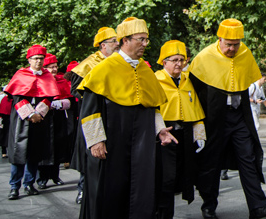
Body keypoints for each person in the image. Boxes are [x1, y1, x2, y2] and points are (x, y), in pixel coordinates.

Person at [78, 17, 177, 219]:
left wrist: (160, 129)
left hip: (141, 141)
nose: (144, 44)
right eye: (141, 39)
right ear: (125, 40)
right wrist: (96, 140)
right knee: (111, 188)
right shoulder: (104, 68)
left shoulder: (145, 70)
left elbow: (152, 105)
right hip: (112, 139)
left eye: (146, 40)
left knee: (141, 185)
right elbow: (90, 109)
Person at [188, 18, 266, 219]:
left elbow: (249, 81)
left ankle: (257, 207)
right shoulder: (204, 57)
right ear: (219, 39)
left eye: (236, 45)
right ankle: (208, 206)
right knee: (212, 161)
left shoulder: (244, 53)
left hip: (239, 116)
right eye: (228, 45)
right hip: (214, 116)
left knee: (248, 158)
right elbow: (194, 90)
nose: (232, 49)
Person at [154, 40, 207, 219]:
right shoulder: (155, 80)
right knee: (164, 179)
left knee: (184, 175)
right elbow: (151, 109)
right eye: (174, 59)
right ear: (164, 62)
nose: (179, 63)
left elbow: (196, 110)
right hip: (163, 135)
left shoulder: (187, 80)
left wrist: (199, 134)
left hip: (184, 135)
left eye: (182, 59)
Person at [69, 26, 119, 205]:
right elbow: (75, 90)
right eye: (114, 42)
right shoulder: (89, 64)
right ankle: (83, 190)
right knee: (90, 153)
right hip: (92, 113)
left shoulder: (119, 62)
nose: (117, 45)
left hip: (114, 116)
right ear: (103, 45)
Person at [4, 45, 60, 200]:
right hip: (22, 120)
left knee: (34, 154)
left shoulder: (47, 76)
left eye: (41, 59)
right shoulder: (21, 74)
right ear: (29, 59)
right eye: (35, 59)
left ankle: (29, 183)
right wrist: (30, 115)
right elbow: (17, 97)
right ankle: (14, 186)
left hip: (40, 119)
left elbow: (49, 97)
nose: (38, 62)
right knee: (19, 152)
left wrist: (39, 113)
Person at [36, 53, 74, 189]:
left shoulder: (61, 81)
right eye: (51, 67)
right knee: (45, 146)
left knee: (58, 144)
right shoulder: (40, 80)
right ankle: (42, 177)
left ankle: (55, 175)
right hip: (44, 117)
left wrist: (61, 103)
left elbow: (70, 99)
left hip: (58, 117)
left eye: (55, 66)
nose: (54, 69)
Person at [0, 89, 11, 157]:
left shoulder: (4, 99)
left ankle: (4, 152)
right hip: (10, 120)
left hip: (2, 119)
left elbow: (0, 111)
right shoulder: (13, 100)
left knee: (3, 136)